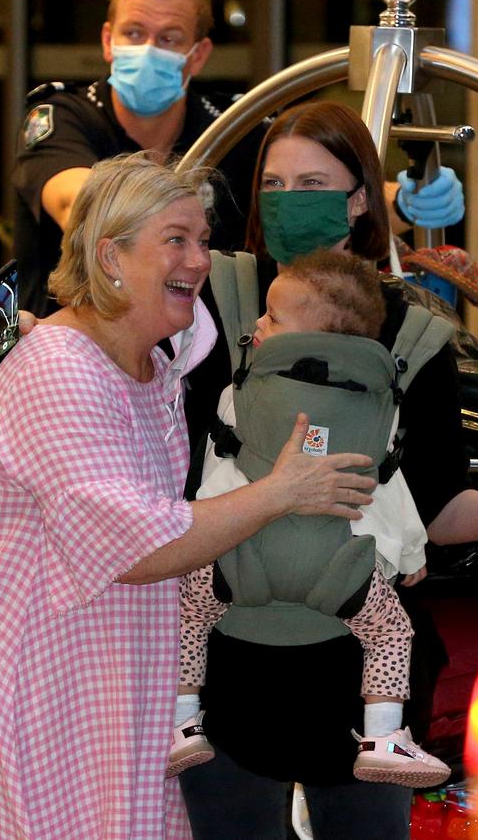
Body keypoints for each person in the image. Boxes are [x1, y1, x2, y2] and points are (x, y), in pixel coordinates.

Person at [0, 101, 478, 839]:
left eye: (311, 183)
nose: (286, 201)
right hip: (220, 669)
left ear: (361, 196)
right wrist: (27, 334)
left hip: (352, 677)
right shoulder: (213, 298)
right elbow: (111, 328)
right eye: (272, 184)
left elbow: (432, 505)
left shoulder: (418, 333)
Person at [0, 152, 373, 840]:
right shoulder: (59, 371)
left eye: (202, 240)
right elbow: (137, 542)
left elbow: (288, 326)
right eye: (174, 240)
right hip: (10, 673)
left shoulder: (158, 356)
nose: (198, 259)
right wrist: (282, 492)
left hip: (97, 676)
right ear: (111, 256)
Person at [13, 0, 464, 322]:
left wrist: (406, 200)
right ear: (108, 40)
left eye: (168, 38)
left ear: (199, 54)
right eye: (134, 34)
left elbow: (318, 192)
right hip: (79, 350)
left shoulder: (230, 126)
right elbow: (79, 204)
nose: (147, 49)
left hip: (199, 368)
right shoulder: (64, 117)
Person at [170, 249, 451, 790]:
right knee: (391, 631)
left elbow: (219, 472)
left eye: (272, 318)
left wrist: (205, 530)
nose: (256, 324)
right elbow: (387, 492)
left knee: (187, 615)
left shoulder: (241, 393)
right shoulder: (381, 410)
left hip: (238, 560)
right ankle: (384, 736)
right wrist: (411, 554)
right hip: (340, 571)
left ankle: (182, 719)